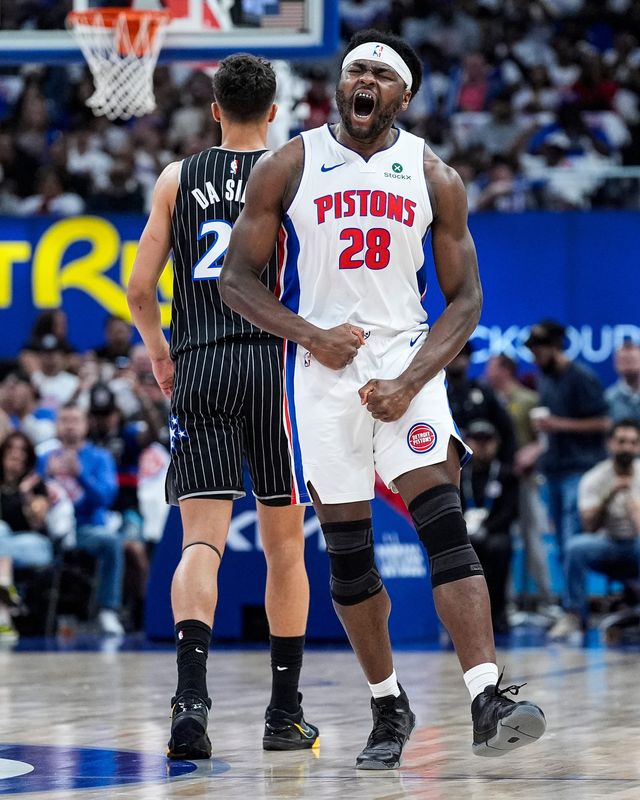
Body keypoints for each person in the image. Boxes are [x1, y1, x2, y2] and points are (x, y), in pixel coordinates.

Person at [220, 29, 545, 770]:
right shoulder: (290, 163)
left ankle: (488, 694)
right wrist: (310, 333)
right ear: (341, 86)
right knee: (350, 557)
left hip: (408, 359)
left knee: (443, 522)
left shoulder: (434, 173)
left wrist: (409, 379)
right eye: (353, 69)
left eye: (379, 72)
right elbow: (237, 281)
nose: (362, 78)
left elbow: (465, 302)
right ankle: (387, 703)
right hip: (322, 372)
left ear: (401, 94)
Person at [127, 54, 318, 760]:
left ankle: (190, 704)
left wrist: (160, 354)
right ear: (274, 112)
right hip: (274, 366)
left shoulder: (178, 177)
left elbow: (141, 288)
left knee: (200, 543)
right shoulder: (293, 176)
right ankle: (283, 714)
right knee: (285, 548)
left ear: (214, 109)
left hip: (202, 361)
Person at [525, 320, 610, 563]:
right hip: (553, 468)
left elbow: (604, 423)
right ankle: (569, 599)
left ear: (556, 347)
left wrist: (558, 424)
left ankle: (576, 600)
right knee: (561, 541)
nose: (535, 358)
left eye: (539, 352)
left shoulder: (582, 377)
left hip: (580, 468)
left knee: (573, 538)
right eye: (532, 353)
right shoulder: (545, 379)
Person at [38, 403, 124, 636]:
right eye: (64, 420)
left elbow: (106, 498)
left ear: (85, 425)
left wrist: (81, 475)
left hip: (85, 528)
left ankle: (108, 610)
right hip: (48, 530)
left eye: (75, 420)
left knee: (111, 542)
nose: (69, 426)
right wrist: (44, 476)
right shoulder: (44, 457)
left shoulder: (99, 457)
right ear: (57, 425)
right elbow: (28, 498)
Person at [549, 419, 640, 639]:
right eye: (621, 441)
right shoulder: (594, 477)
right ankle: (574, 615)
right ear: (610, 444)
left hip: (637, 544)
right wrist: (609, 496)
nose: (626, 447)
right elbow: (589, 527)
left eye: (632, 442)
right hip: (610, 543)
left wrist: (634, 508)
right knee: (576, 547)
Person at [485, 354, 554, 611]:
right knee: (501, 538)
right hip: (500, 480)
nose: (487, 372)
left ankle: (547, 599)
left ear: (505, 370)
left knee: (532, 536)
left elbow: (544, 439)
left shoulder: (528, 399)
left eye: (492, 367)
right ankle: (505, 601)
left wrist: (531, 453)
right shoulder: (489, 399)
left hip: (525, 479)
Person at [461, 420, 518, 635]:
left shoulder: (506, 474)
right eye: (477, 440)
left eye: (488, 440)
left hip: (495, 531)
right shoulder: (459, 473)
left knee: (498, 548)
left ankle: (498, 613)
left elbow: (510, 512)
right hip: (465, 532)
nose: (482, 445)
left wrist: (487, 528)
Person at [605, 342, 640, 426]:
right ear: (615, 364)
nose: (628, 364)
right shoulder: (608, 399)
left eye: (632, 359)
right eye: (623, 360)